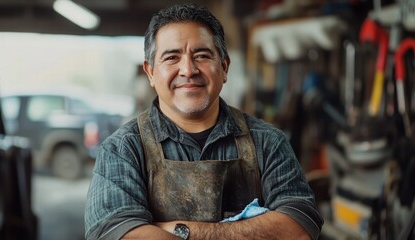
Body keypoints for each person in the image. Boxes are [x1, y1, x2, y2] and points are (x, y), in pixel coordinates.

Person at [85, 3, 323, 240]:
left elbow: (298, 228)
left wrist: (181, 230)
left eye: (201, 55)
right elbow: (116, 233)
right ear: (150, 72)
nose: (188, 70)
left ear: (224, 67)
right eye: (172, 57)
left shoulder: (268, 142)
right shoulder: (122, 150)